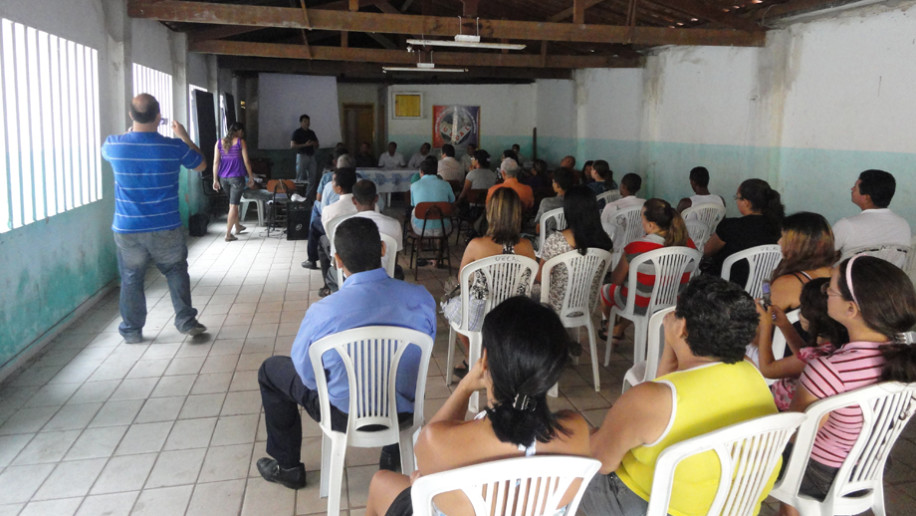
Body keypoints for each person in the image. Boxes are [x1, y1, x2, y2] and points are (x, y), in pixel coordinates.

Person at [366, 296, 591, 516]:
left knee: (380, 483)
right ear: (550, 373)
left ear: (484, 361)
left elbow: (426, 449)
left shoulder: (438, 443)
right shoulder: (577, 431)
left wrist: (464, 388)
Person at [256, 217, 437, 490]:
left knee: (270, 371)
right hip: (404, 412)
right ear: (383, 251)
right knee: (394, 371)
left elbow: (307, 376)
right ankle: (392, 447)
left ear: (338, 261)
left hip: (342, 414)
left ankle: (289, 466)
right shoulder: (421, 298)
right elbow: (422, 355)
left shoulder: (323, 312)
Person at [582, 275, 779, 516]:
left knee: (575, 445)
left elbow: (602, 462)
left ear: (682, 327)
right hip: (728, 507)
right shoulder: (751, 370)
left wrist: (586, 437)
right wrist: (671, 346)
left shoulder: (648, 401)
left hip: (656, 508)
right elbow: (669, 385)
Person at [780, 256, 916, 515]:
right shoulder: (905, 357)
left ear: (851, 309)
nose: (825, 293)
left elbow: (795, 434)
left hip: (822, 476)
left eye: (828, 289)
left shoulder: (828, 370)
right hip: (872, 464)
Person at [101, 93, 208, 344]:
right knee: (176, 271)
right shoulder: (174, 147)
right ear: (159, 117)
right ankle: (186, 321)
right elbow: (201, 164)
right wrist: (183, 136)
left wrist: (130, 132)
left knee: (131, 277)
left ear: (131, 115)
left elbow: (112, 150)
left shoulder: (114, 145)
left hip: (128, 228)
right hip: (166, 225)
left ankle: (131, 330)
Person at [441, 188, 537, 371]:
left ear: (490, 213)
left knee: (452, 304)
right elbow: (529, 278)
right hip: (515, 313)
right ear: (517, 214)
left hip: (482, 314)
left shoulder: (476, 245)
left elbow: (463, 279)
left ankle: (473, 357)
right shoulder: (526, 246)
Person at [600, 198, 695, 341]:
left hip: (640, 304)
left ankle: (611, 326)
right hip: (673, 302)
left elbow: (616, 280)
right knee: (643, 293)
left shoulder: (636, 247)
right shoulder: (689, 244)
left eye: (642, 218)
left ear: (650, 225)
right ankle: (617, 329)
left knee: (607, 290)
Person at [754, 278, 848, 411]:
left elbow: (768, 370)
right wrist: (784, 324)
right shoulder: (834, 346)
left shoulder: (819, 359)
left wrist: (765, 327)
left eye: (803, 307)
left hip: (779, 410)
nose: (799, 313)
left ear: (815, 318)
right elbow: (803, 354)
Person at [536, 186, 614, 312]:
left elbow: (541, 278)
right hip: (587, 304)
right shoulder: (605, 242)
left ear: (568, 210)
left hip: (555, 306)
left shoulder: (556, 240)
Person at [322, 180, 404, 294]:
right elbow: (394, 259)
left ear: (354, 200)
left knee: (331, 273)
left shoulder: (342, 226)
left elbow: (337, 265)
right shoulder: (394, 224)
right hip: (384, 276)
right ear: (376, 198)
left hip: (351, 279)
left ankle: (343, 297)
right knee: (398, 271)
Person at [704, 178, 784, 287]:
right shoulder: (781, 227)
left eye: (737, 197)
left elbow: (707, 251)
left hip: (728, 288)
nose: (736, 201)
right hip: (764, 287)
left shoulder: (730, 226)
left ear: (746, 202)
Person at [832, 169, 911, 263]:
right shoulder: (903, 224)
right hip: (891, 277)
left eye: (855, 187)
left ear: (866, 197)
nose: (852, 189)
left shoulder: (846, 225)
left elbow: (821, 255)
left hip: (850, 277)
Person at [768, 212, 836, 312]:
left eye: (784, 237)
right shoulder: (838, 275)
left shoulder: (787, 284)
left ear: (800, 244)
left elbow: (768, 320)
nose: (779, 242)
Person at [315, 168, 359, 295]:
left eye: (333, 181)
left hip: (340, 253)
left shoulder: (329, 210)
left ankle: (327, 285)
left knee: (322, 241)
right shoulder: (365, 205)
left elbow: (329, 235)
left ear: (339, 189)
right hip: (363, 250)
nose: (331, 183)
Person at [212, 122, 255, 242]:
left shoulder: (219, 142)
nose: (243, 134)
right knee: (234, 205)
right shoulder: (241, 142)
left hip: (223, 178)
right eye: (242, 132)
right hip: (236, 178)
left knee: (232, 203)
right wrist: (251, 176)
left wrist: (215, 179)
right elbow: (246, 161)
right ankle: (228, 234)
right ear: (239, 131)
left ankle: (237, 226)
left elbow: (216, 162)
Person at [409, 156, 455, 237]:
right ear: (436, 172)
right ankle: (439, 243)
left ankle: (419, 243)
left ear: (421, 172)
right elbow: (452, 201)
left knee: (414, 210)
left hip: (421, 229)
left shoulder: (414, 185)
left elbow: (413, 204)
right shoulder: (446, 184)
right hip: (443, 228)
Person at [600, 173, 645, 238]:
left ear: (623, 186)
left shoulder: (611, 206)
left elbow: (602, 228)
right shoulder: (645, 204)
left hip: (616, 246)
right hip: (639, 244)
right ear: (639, 188)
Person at [533, 167, 574, 233]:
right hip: (572, 241)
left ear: (557, 185)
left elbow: (539, 229)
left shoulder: (546, 202)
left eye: (553, 182)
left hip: (549, 240)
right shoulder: (578, 202)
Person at [290, 114, 320, 200]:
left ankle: (308, 198)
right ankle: (299, 197)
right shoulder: (297, 132)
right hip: (302, 156)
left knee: (312, 178)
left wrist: (313, 144)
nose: (307, 123)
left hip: (311, 156)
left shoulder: (311, 133)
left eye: (308, 121)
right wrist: (305, 145)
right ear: (301, 122)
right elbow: (292, 145)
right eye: (305, 121)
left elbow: (317, 144)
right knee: (300, 178)